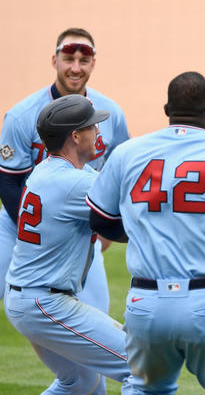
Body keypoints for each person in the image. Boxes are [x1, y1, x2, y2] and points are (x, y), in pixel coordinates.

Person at [86, 71, 205, 394]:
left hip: (145, 306)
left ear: (166, 111)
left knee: (147, 389)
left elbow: (100, 219)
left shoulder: (128, 153)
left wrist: (148, 232)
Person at [4, 95, 131, 394]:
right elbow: (127, 214)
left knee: (79, 381)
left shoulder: (50, 170)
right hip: (44, 304)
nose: (99, 132)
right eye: (92, 126)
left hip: (30, 299)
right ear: (75, 136)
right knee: (141, 364)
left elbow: (105, 181)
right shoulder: (72, 183)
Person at [0, 28, 129, 308]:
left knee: (96, 311)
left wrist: (102, 226)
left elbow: (119, 174)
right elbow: (9, 182)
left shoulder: (111, 113)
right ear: (54, 60)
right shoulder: (22, 116)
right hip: (20, 222)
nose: (75, 67)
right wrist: (31, 226)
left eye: (84, 60)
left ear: (93, 64)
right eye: (68, 59)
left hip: (81, 224)